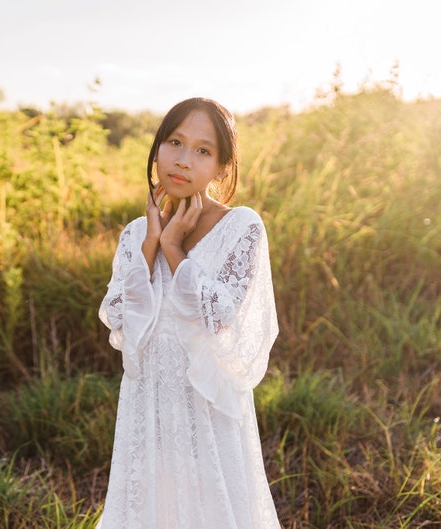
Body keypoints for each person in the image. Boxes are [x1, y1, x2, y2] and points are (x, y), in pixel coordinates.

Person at [97, 97, 281, 528]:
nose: (182, 161)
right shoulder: (135, 234)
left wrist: (175, 250)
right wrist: (149, 246)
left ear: (221, 167)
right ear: (158, 148)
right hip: (148, 405)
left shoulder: (242, 227)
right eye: (174, 143)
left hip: (207, 412)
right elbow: (119, 320)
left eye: (202, 151)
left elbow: (221, 319)